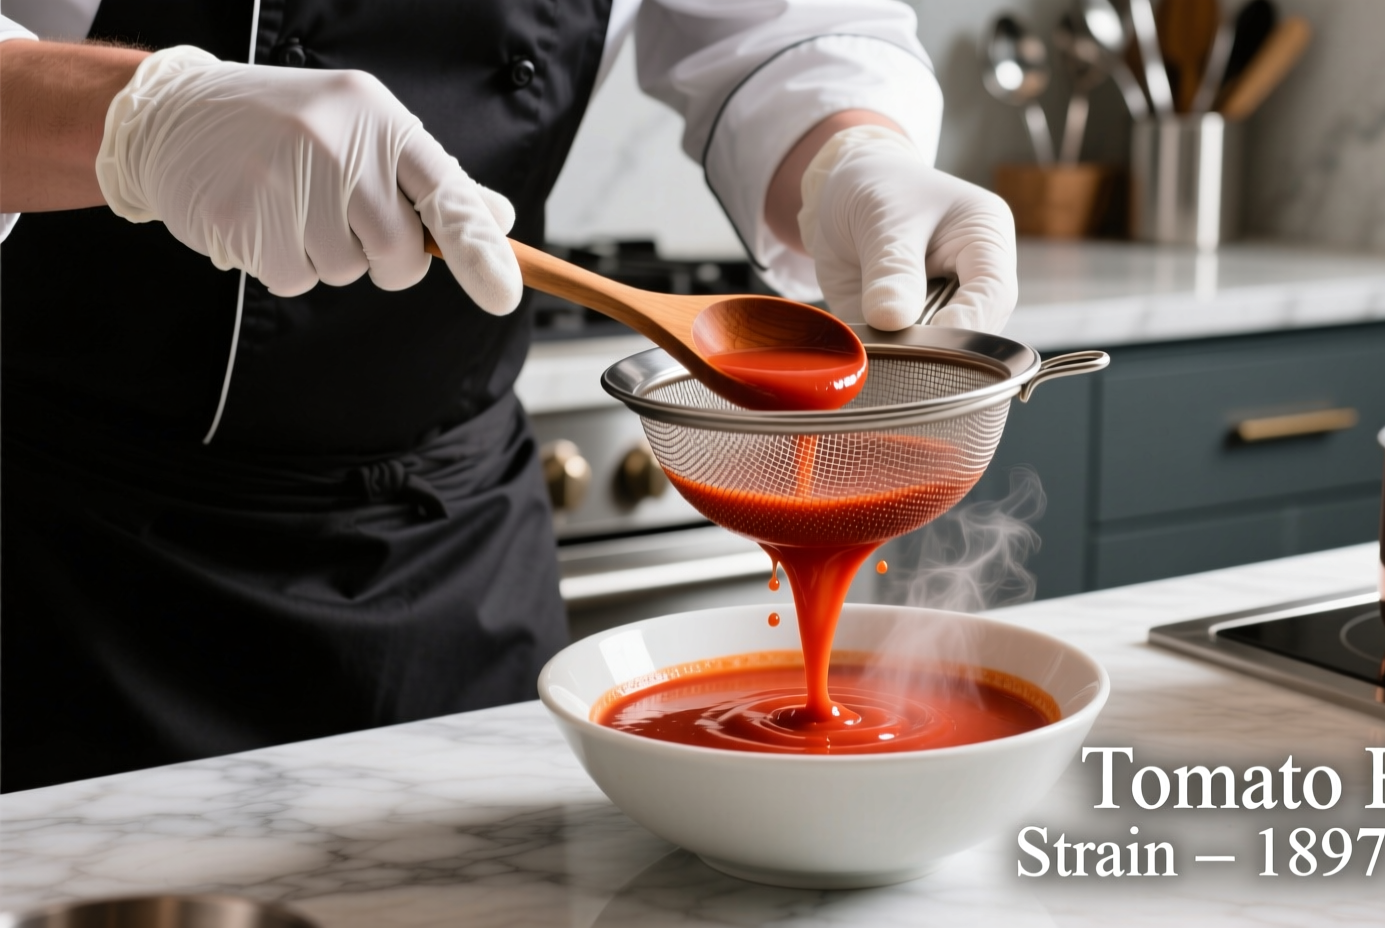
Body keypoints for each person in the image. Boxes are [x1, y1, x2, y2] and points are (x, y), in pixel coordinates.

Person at [0, 1, 1018, 792]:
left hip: (457, 560)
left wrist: (851, 154)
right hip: (68, 568)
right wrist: (138, 119)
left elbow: (779, 30)